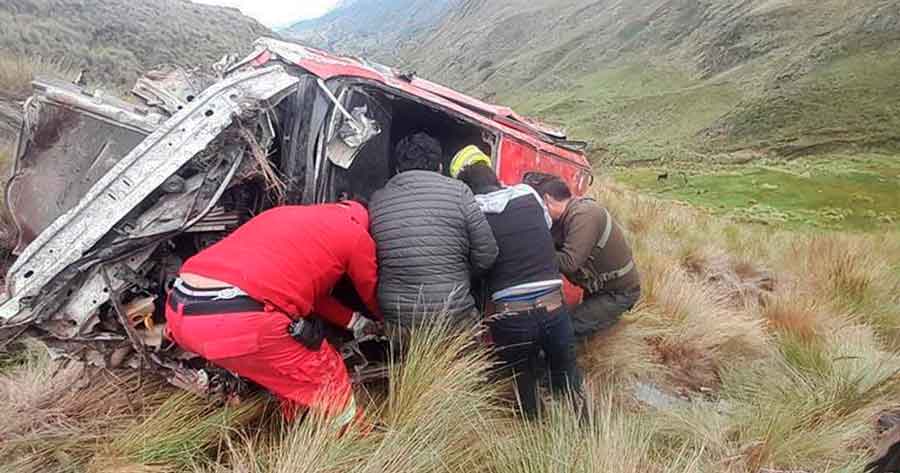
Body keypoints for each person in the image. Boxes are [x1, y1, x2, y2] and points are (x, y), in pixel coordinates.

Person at [164, 201, 380, 429]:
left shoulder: (284, 214)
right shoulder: (354, 233)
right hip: (236, 318)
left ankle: (300, 428)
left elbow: (308, 294)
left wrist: (356, 322)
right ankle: (356, 439)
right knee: (326, 373)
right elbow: (371, 290)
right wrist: (384, 319)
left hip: (180, 308)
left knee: (284, 375)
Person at [454, 150, 582, 419]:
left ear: (464, 187)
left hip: (510, 317)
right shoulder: (527, 193)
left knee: (524, 381)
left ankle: (533, 433)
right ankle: (584, 433)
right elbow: (545, 227)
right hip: (554, 307)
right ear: (492, 174)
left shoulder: (470, 214)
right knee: (568, 379)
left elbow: (474, 261)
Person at [369, 133, 498, 328]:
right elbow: (488, 254)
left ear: (397, 170)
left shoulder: (376, 201)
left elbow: (373, 262)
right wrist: (460, 275)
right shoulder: (460, 192)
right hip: (454, 315)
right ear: (439, 167)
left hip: (399, 322)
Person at [535, 177, 641, 340]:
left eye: (540, 207)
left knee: (567, 329)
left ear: (547, 200)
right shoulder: (565, 217)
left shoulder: (583, 215)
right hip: (599, 289)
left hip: (618, 293)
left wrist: (534, 251)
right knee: (578, 328)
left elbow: (570, 263)